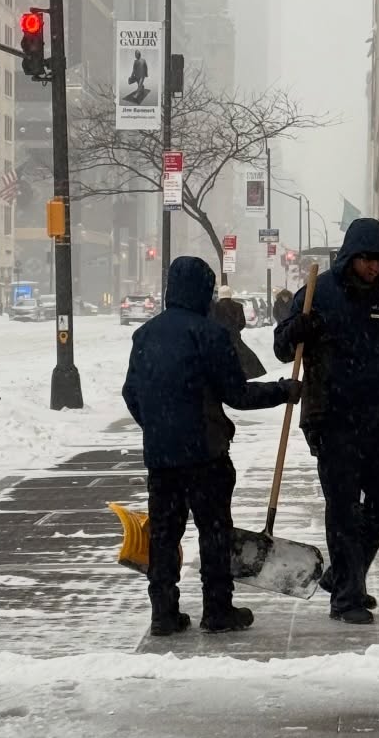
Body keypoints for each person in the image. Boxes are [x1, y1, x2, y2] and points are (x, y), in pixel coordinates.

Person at [123, 256, 300, 636]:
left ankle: (164, 613)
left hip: (162, 458)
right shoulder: (210, 335)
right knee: (214, 532)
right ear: (204, 292)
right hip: (205, 454)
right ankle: (217, 609)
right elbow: (237, 394)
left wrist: (158, 427)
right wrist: (283, 391)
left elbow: (130, 393)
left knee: (164, 536)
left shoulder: (145, 335)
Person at [274, 217, 379, 625]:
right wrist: (296, 328)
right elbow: (281, 349)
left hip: (371, 418)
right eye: (367, 260)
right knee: (342, 506)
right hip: (330, 417)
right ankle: (346, 597)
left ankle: (346, 573)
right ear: (350, 257)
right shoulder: (318, 293)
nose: (375, 268)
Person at [212, 295, 265, 380]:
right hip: (235, 335)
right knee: (242, 355)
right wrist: (235, 329)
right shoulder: (238, 306)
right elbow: (242, 323)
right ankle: (249, 373)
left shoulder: (216, 307)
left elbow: (213, 321)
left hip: (222, 335)